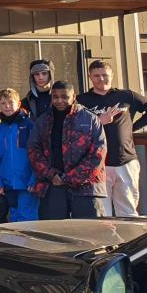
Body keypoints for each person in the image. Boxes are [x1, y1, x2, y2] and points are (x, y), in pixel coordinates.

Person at [76, 60, 147, 217]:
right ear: (90, 77)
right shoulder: (81, 101)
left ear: (112, 75)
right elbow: (73, 131)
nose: (101, 79)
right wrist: (98, 122)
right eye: (96, 76)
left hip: (126, 161)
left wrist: (132, 128)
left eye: (105, 75)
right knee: (102, 214)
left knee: (128, 211)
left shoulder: (126, 96)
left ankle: (131, 242)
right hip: (96, 164)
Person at [28, 81, 107, 220]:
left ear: (73, 96)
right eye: (55, 97)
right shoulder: (43, 121)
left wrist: (68, 178)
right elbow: (33, 150)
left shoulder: (90, 119)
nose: (59, 100)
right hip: (52, 185)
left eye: (64, 97)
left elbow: (98, 154)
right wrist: (51, 175)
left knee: (92, 234)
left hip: (85, 187)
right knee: (53, 233)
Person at [0, 89, 38, 222]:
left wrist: (34, 179)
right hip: (8, 184)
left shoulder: (29, 126)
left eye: (10, 102)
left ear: (18, 104)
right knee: (14, 217)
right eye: (3, 103)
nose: (7, 106)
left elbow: (36, 155)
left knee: (27, 218)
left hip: (26, 183)